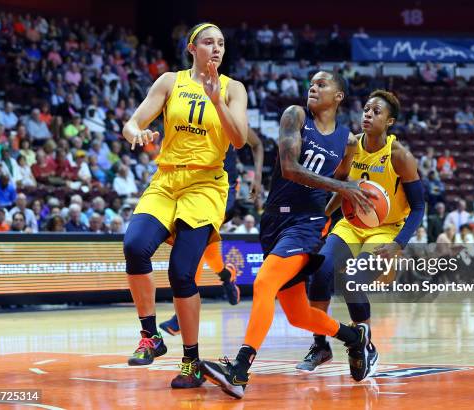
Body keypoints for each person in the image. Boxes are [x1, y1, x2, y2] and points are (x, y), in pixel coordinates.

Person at [200, 71, 377, 399]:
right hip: (273, 222)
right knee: (297, 316)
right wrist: (343, 188)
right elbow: (290, 168)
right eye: (311, 82)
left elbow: (343, 180)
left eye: (322, 84)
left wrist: (330, 213)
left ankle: (239, 369)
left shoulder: (348, 141)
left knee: (265, 283)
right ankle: (355, 338)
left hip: (306, 225)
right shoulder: (295, 116)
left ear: (338, 97)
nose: (313, 87)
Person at [121, 22, 248, 390]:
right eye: (209, 42)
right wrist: (137, 133)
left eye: (221, 43)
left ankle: (191, 361)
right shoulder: (169, 82)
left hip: (206, 185)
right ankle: (151, 336)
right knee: (134, 246)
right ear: (192, 48)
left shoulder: (233, 89)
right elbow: (132, 122)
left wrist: (215, 100)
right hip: (167, 180)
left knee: (181, 273)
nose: (216, 48)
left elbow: (238, 140)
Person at [292, 89, 423, 372]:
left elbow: (420, 207)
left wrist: (398, 244)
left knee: (353, 279)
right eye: (366, 109)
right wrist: (320, 219)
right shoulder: (351, 145)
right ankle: (320, 345)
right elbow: (341, 188)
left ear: (389, 122)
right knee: (320, 271)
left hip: (385, 231)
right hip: (351, 225)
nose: (368, 115)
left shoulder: (400, 156)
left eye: (376, 112)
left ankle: (365, 344)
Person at [158, 127, 264, 336]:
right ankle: (227, 275)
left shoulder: (229, 112)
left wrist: (257, 177)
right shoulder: (188, 111)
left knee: (195, 237)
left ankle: (180, 317)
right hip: (195, 187)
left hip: (225, 189)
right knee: (205, 246)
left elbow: (257, 144)